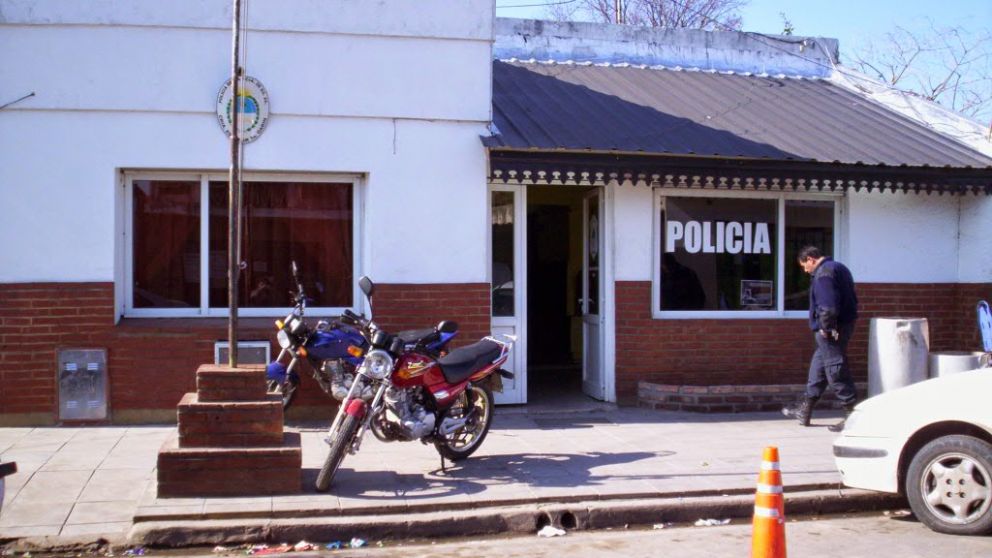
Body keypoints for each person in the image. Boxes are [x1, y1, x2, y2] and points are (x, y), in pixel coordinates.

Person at [783, 246, 859, 432]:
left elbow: (828, 305)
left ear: (810, 259)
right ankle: (805, 409)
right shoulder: (838, 267)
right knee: (819, 366)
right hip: (842, 325)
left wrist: (827, 326)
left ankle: (852, 414)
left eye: (804, 266)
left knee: (835, 367)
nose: (805, 270)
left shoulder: (823, 273)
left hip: (832, 328)